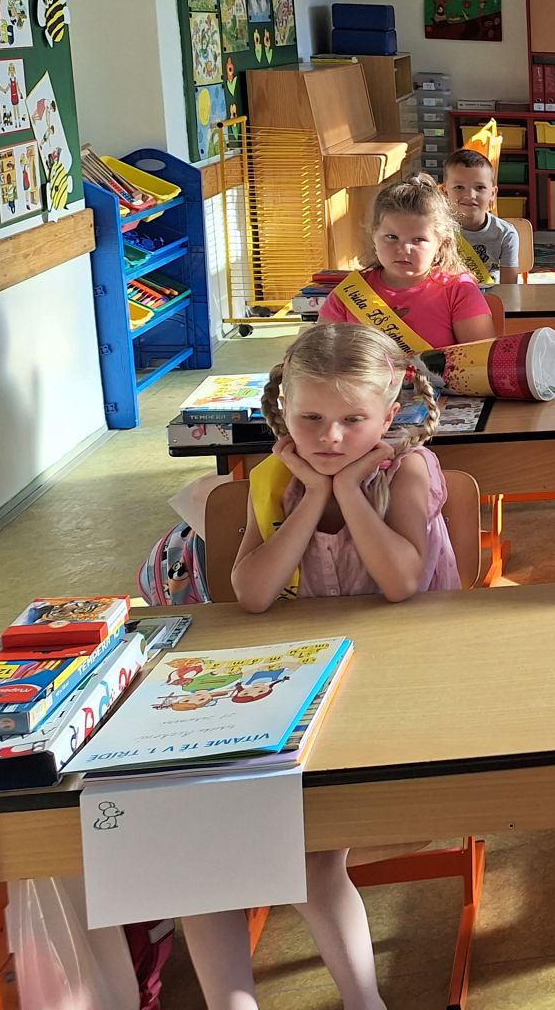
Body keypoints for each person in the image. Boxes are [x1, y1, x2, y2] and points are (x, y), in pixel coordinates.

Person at [183, 322, 461, 1009]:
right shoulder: (276, 480)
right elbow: (252, 594)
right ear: (285, 412)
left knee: (309, 855)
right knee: (193, 837)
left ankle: (366, 1001)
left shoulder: (408, 471)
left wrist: (349, 492)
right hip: (303, 684)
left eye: (353, 421)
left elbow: (399, 583)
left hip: (405, 684)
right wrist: (310, 494)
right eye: (311, 419)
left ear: (387, 418)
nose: (331, 438)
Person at [318, 175, 494, 350]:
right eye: (391, 237)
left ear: (440, 242)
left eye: (418, 240)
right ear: (373, 235)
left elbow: (481, 359)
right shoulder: (348, 294)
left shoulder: (459, 290)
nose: (403, 249)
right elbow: (320, 357)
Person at [441, 148, 519, 286]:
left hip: (490, 297)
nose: (470, 195)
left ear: (493, 193)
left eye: (480, 188)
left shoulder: (505, 234)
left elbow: (509, 288)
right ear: (445, 192)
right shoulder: (437, 230)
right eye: (459, 187)